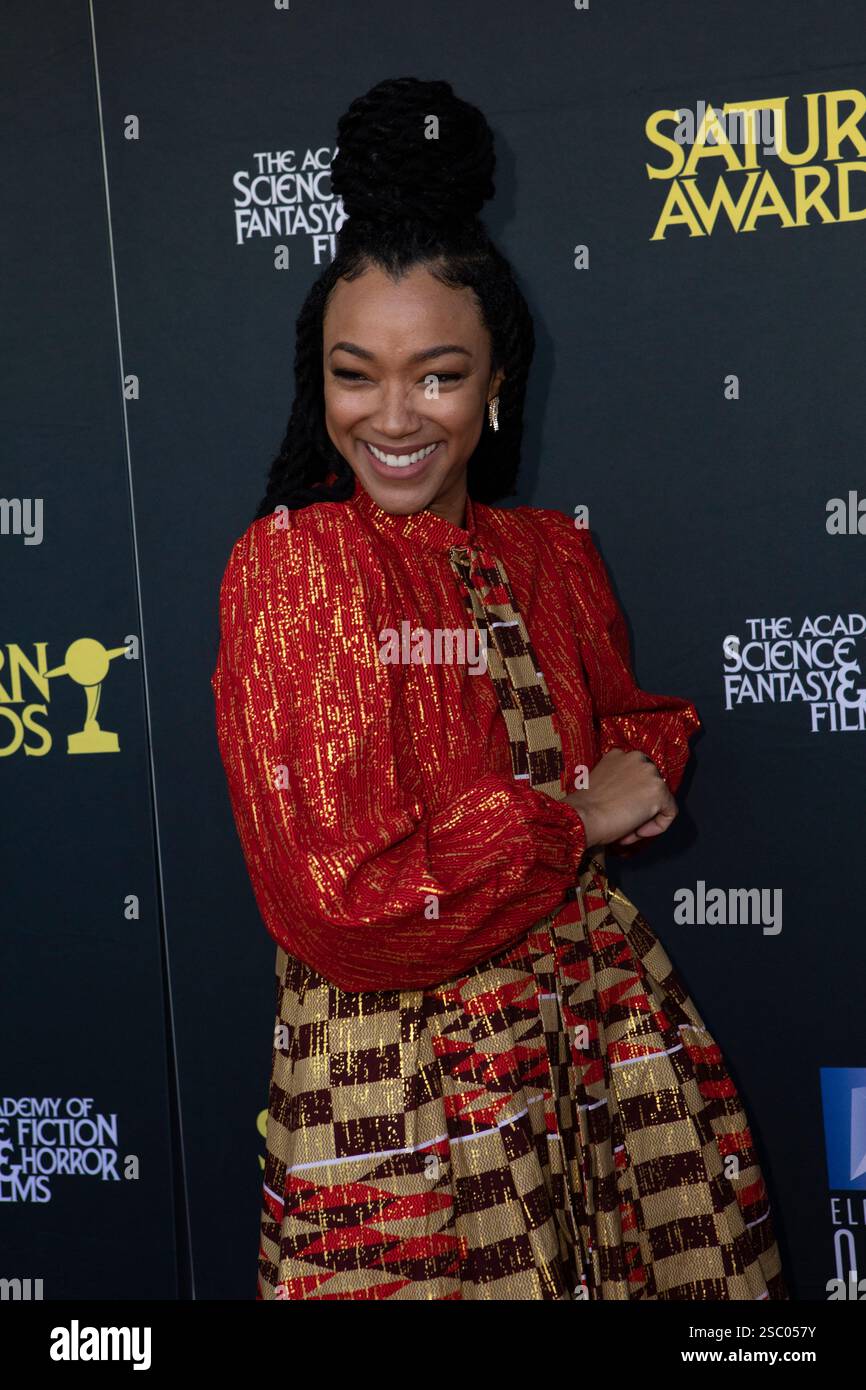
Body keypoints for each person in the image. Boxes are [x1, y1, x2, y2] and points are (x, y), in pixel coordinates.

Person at [211, 76, 787, 1301]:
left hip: (600, 1048)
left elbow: (631, 723)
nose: (392, 415)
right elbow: (342, 896)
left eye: (438, 375)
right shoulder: (298, 566)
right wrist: (573, 819)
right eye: (354, 374)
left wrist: (640, 782)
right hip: (403, 1092)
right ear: (317, 382)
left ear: (495, 386)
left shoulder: (546, 553)